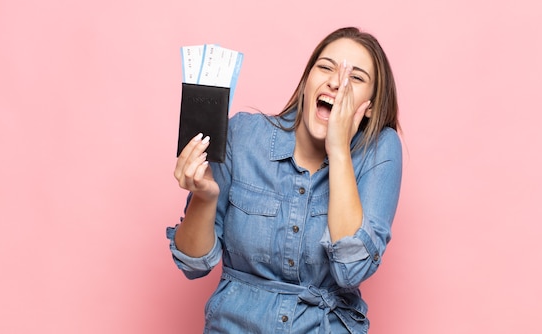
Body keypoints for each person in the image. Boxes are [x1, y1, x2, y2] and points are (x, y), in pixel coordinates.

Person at [167, 26, 403, 333]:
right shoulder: (242, 136)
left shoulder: (379, 150)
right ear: (307, 82)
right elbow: (192, 264)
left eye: (356, 78)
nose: (336, 82)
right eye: (326, 68)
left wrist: (338, 149)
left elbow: (351, 270)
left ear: (369, 107)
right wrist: (205, 196)